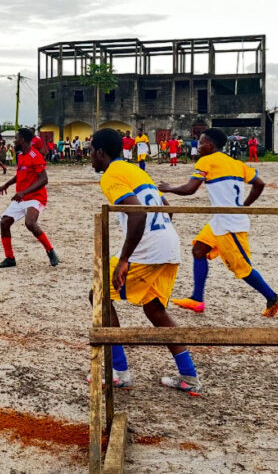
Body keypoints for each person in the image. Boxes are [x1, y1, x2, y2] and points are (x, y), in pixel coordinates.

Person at [89, 128, 200, 394]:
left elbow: (137, 214)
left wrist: (126, 258)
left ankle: (119, 371)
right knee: (154, 309)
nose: (90, 157)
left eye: (91, 152)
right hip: (168, 245)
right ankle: (189, 376)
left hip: (148, 248)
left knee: (99, 296)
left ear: (101, 153)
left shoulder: (111, 175)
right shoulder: (136, 171)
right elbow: (165, 208)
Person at [159, 128, 278, 318]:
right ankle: (197, 299)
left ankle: (273, 297)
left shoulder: (206, 161)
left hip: (230, 224)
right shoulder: (236, 163)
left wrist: (169, 188)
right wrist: (244, 205)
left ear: (210, 145)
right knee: (199, 249)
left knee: (242, 268)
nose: (198, 147)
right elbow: (259, 183)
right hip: (221, 219)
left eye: (200, 143)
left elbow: (190, 189)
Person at [0, 128, 59, 268]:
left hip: (36, 197)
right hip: (21, 197)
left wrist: (23, 192)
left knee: (30, 223)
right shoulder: (21, 155)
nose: (14, 140)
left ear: (23, 140)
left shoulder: (35, 156)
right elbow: (20, 175)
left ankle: (50, 251)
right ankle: (10, 258)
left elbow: (44, 179)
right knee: (4, 222)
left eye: (16, 138)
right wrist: (7, 184)